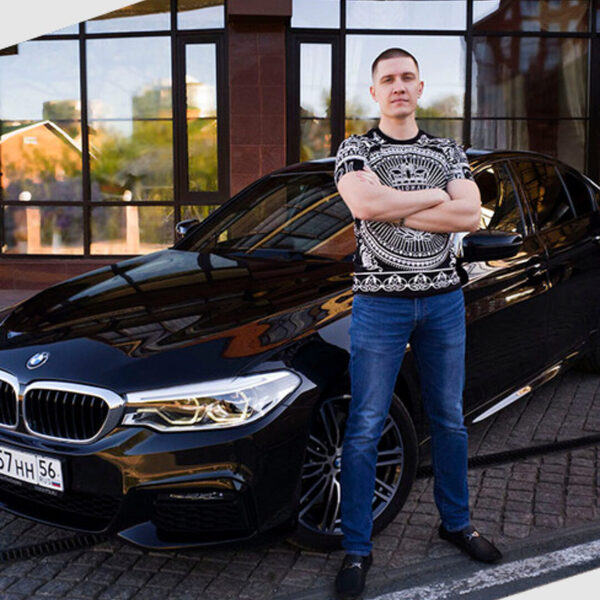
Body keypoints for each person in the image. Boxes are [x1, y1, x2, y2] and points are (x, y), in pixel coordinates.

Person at [333, 48, 502, 600]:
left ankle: (457, 523)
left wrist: (394, 203)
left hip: (443, 301)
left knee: (450, 419)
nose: (399, 86)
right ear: (375, 92)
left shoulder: (447, 150)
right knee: (365, 425)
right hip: (380, 305)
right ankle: (357, 548)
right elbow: (363, 207)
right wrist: (434, 196)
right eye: (388, 79)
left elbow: (469, 215)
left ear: (421, 88)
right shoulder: (356, 149)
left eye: (407, 77)